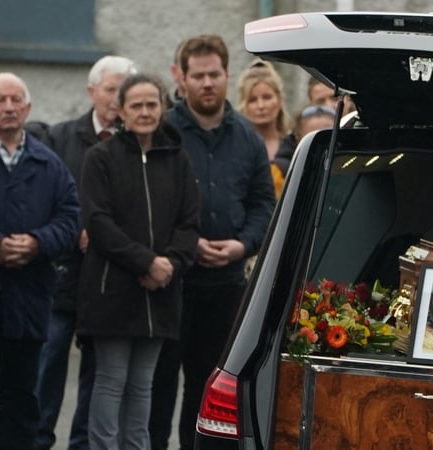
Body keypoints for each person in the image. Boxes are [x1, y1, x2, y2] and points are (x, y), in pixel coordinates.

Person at [156, 34, 276, 450]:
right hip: (172, 282)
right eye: (198, 76)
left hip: (226, 286)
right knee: (159, 383)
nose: (207, 83)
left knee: (207, 387)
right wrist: (186, 243)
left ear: (227, 76)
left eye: (215, 75)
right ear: (182, 78)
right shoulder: (163, 131)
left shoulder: (246, 137)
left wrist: (243, 245)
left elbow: (264, 204)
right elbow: (148, 201)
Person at [78, 73, 200, 449]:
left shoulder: (177, 159)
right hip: (113, 290)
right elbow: (98, 223)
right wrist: (147, 262)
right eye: (137, 105)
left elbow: (189, 222)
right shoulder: (100, 158)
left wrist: (170, 265)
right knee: (111, 380)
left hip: (161, 293)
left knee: (143, 384)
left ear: (162, 108)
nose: (145, 112)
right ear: (121, 111)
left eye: (152, 104)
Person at [34, 54, 137, 450]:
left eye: (122, 91)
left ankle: (82, 443)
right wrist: (76, 228)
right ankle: (38, 439)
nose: (116, 99)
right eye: (110, 90)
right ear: (91, 91)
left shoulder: (136, 145)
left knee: (99, 374)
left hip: (111, 279)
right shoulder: (60, 138)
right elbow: (47, 199)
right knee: (49, 359)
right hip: (62, 275)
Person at [0, 72, 80, 450]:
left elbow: (71, 220)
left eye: (15, 100)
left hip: (28, 304)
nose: (8, 107)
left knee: (22, 402)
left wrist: (37, 243)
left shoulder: (49, 164)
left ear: (27, 107)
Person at [236, 60, 290, 194]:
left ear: (279, 100)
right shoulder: (236, 147)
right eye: (253, 100)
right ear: (244, 105)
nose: (261, 106)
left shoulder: (294, 145)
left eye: (267, 97)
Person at [273, 104, 336, 195]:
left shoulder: (349, 165)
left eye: (329, 136)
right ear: (298, 138)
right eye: (313, 137)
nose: (323, 143)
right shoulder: (280, 171)